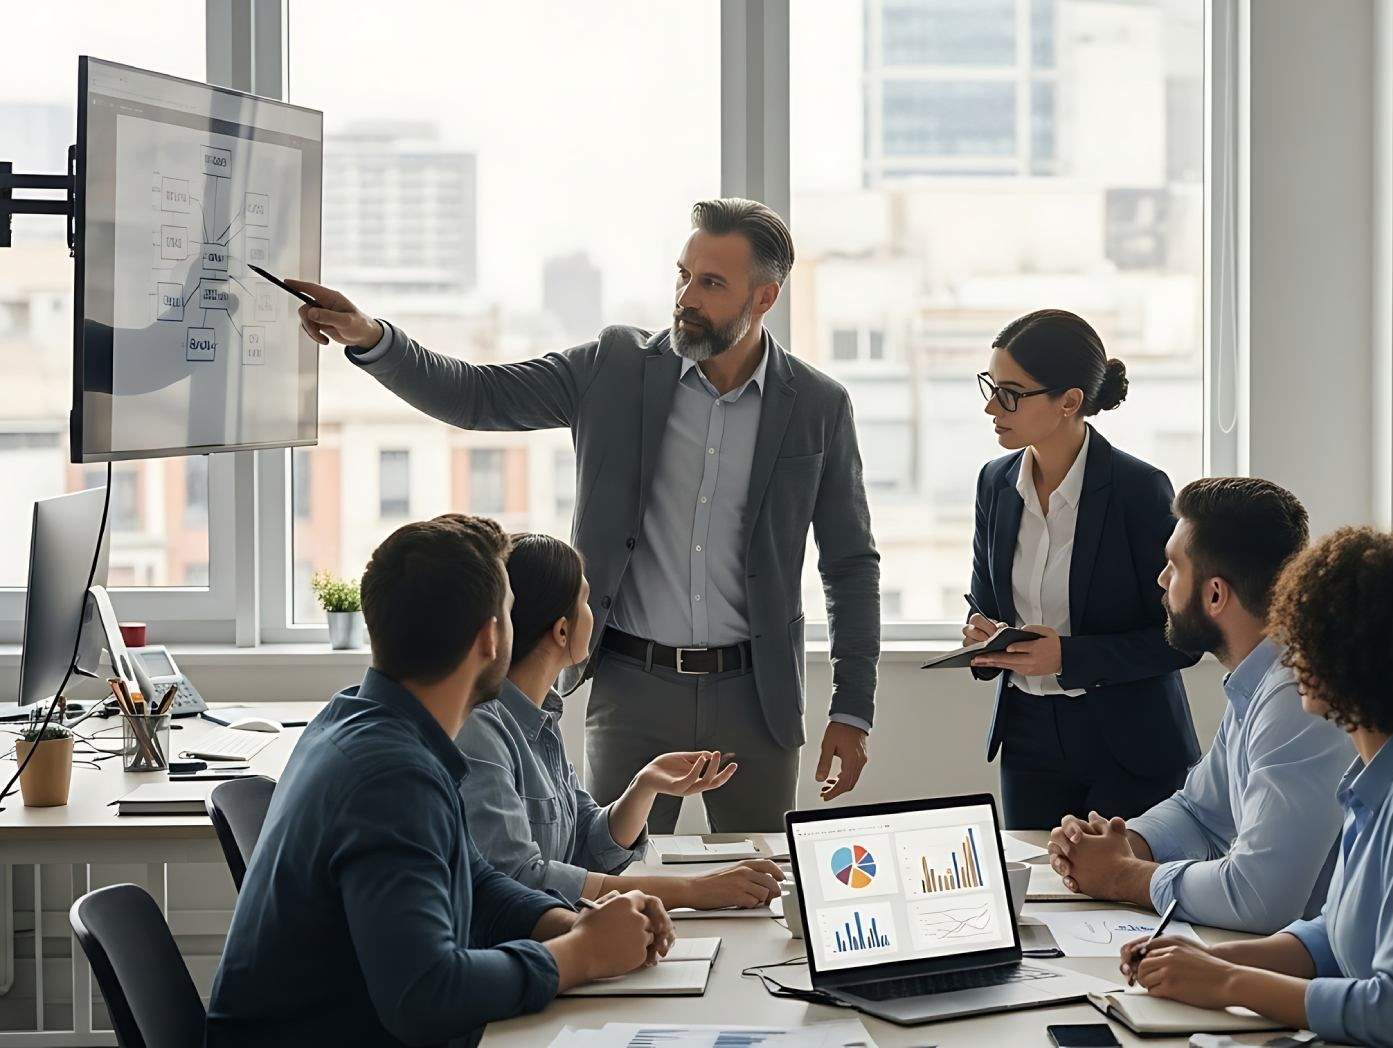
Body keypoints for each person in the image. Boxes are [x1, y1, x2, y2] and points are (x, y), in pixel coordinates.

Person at [286, 198, 880, 831]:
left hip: (758, 695)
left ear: (765, 298)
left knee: (761, 883)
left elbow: (849, 563)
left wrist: (852, 708)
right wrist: (372, 338)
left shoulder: (818, 405)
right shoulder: (613, 368)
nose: (686, 296)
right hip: (633, 688)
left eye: (711, 283)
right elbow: (478, 397)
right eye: (682, 275)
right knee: (613, 880)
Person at [206, 515, 670, 1048]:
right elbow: (424, 997)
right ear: (491, 638)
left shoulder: (362, 721)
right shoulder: (391, 776)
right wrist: (579, 955)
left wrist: (571, 926)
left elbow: (475, 880)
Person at [1121, 527, 1393, 1048]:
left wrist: (1229, 982)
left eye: (1301, 638)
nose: (1291, 657)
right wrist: (1208, 960)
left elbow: (1385, 1008)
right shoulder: (1366, 784)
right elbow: (1332, 937)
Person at [1047, 478, 1352, 933]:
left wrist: (1122, 875)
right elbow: (1200, 813)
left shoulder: (1297, 699)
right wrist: (1124, 843)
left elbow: (1258, 897)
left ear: (1214, 594)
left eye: (1173, 566)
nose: (1162, 580)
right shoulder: (1258, 679)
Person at [457, 533, 785, 910]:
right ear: (562, 630)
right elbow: (520, 879)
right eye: (585, 599)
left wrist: (644, 785)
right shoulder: (481, 730)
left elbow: (585, 845)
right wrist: (693, 891)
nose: (594, 612)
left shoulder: (540, 719)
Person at [964, 309, 1200, 829]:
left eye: (1010, 392)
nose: (990, 406)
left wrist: (1067, 657)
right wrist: (984, 640)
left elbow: (1182, 639)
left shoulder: (1141, 490)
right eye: (990, 385)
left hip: (1129, 744)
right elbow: (984, 604)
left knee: (1119, 900)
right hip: (1027, 738)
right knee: (1038, 897)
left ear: (1069, 401)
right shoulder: (994, 484)